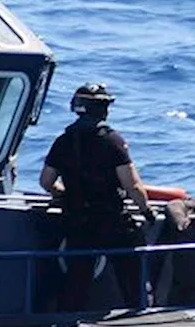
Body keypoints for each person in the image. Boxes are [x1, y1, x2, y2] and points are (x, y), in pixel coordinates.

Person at [39, 83, 158, 312]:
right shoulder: (112, 141)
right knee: (132, 272)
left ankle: (66, 321)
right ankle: (140, 314)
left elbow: (46, 181)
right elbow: (132, 185)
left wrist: (64, 193)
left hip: (77, 220)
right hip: (111, 218)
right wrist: (146, 211)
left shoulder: (63, 141)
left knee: (76, 277)